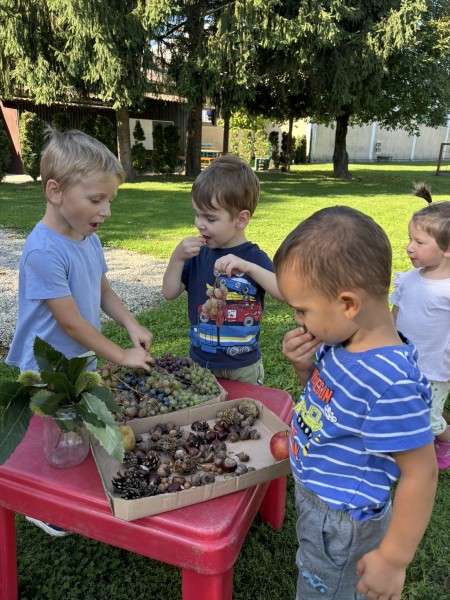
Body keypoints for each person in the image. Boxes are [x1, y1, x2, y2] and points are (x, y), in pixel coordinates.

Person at [273, 206, 437, 600]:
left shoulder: (390, 382)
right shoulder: (343, 342)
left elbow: (421, 474)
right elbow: (328, 402)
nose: (297, 320)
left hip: (341, 521)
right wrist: (304, 368)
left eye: (302, 310)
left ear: (348, 304)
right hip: (320, 500)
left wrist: (393, 559)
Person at [6, 127, 154, 535]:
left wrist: (131, 323)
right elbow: (69, 322)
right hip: (48, 365)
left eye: (110, 200)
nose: (106, 211)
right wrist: (121, 355)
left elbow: (103, 291)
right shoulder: (43, 251)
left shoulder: (87, 238)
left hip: (78, 357)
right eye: (96, 199)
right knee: (56, 433)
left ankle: (69, 487)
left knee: (75, 430)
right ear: (55, 192)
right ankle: (43, 506)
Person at [162, 154, 283, 385]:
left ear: (241, 220)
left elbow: (284, 292)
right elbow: (169, 293)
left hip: (244, 366)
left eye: (210, 218)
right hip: (200, 363)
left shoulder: (253, 258)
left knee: (244, 407)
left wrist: (249, 268)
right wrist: (176, 259)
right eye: (197, 214)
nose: (199, 223)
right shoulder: (197, 255)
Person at [390, 183, 450, 470]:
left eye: (419, 242)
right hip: (404, 364)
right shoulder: (408, 279)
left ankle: (445, 440)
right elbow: (394, 317)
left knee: (430, 419)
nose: (409, 247)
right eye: (409, 239)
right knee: (403, 409)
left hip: (436, 368)